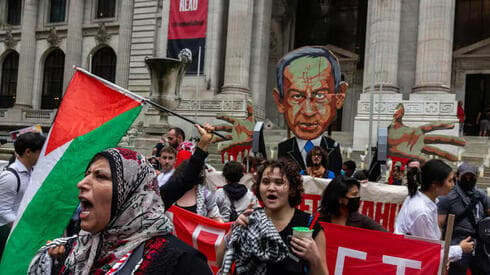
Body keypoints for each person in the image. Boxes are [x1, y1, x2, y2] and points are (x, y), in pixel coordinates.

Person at [30, 148, 212, 274]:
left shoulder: (182, 263)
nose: (81, 184)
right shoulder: (74, 252)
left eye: (100, 176)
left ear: (131, 193)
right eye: (86, 175)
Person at [218, 159, 328, 275]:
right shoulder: (249, 219)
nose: (271, 188)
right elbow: (219, 261)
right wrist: (233, 231)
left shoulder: (309, 226)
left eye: (279, 182)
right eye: (265, 182)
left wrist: (315, 259)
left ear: (291, 189)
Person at [273, 46, 347, 176]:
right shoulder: (283, 148)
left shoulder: (333, 147)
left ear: (339, 98)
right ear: (280, 101)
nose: (308, 112)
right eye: (297, 96)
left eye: (320, 96)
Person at [395, 159, 474, 263]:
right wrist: (460, 248)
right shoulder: (421, 211)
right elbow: (430, 253)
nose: (453, 185)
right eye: (450, 181)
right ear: (435, 184)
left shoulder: (423, 200)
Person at [438, 162, 490, 275]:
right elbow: (439, 225)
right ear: (457, 176)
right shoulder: (448, 197)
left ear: (476, 177)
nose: (468, 179)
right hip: (457, 243)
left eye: (471, 176)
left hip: (478, 243)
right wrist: (443, 251)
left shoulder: (481, 195)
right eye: (465, 176)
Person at [0, 132, 45, 259]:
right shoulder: (10, 177)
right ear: (28, 152)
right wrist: (23, 226)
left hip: (21, 231)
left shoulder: (32, 172)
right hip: (7, 233)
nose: (42, 157)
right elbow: (2, 210)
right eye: (39, 152)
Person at [319, 176, 386, 231]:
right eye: (354, 195)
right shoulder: (319, 219)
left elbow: (388, 236)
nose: (357, 198)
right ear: (340, 198)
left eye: (357, 194)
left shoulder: (362, 221)